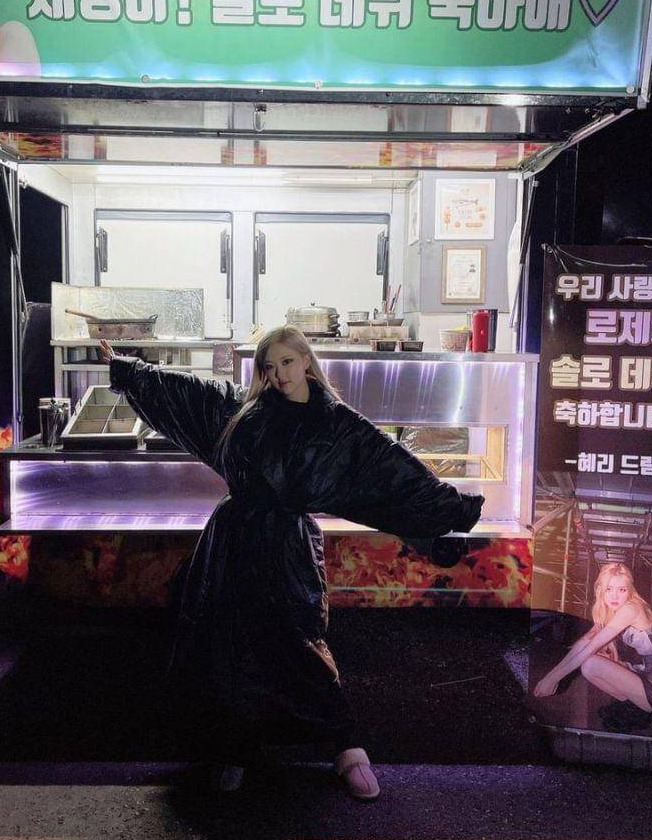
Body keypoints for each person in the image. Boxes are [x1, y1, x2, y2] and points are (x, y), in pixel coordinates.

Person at [99, 327, 484, 800]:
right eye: (269, 366)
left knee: (298, 640)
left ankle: (347, 747)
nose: (279, 374)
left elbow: (390, 469)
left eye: (286, 362)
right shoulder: (241, 411)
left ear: (305, 360)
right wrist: (128, 370)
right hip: (232, 541)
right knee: (229, 644)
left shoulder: (335, 423)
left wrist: (450, 510)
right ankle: (234, 749)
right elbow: (183, 393)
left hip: (287, 545)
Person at [533, 562, 652, 732]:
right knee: (588, 667)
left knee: (591, 663)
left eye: (622, 590)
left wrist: (553, 679)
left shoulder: (631, 609)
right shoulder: (611, 610)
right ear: (601, 590)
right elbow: (584, 642)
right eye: (609, 589)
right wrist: (551, 676)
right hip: (644, 671)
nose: (614, 596)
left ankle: (638, 708)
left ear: (630, 591)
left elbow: (591, 648)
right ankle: (633, 705)